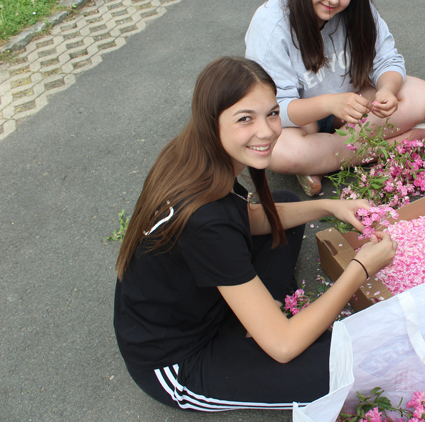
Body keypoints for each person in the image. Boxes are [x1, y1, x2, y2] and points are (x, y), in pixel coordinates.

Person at [113, 57, 397, 411]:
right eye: (245, 118)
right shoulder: (206, 221)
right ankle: (263, 321)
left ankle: (263, 312)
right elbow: (283, 346)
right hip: (178, 360)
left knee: (284, 205)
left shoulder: (194, 154)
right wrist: (361, 268)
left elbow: (248, 219)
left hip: (205, 297)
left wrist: (330, 207)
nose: (266, 131)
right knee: (344, 371)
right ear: (211, 121)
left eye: (272, 113)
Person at [245, 0, 425, 196]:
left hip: (355, 107)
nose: (334, 0)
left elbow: (387, 59)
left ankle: (319, 161)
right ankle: (395, 145)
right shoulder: (271, 24)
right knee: (278, 152)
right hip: (302, 122)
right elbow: (272, 108)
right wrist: (329, 103)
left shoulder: (357, 8)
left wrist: (387, 90)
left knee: (422, 94)